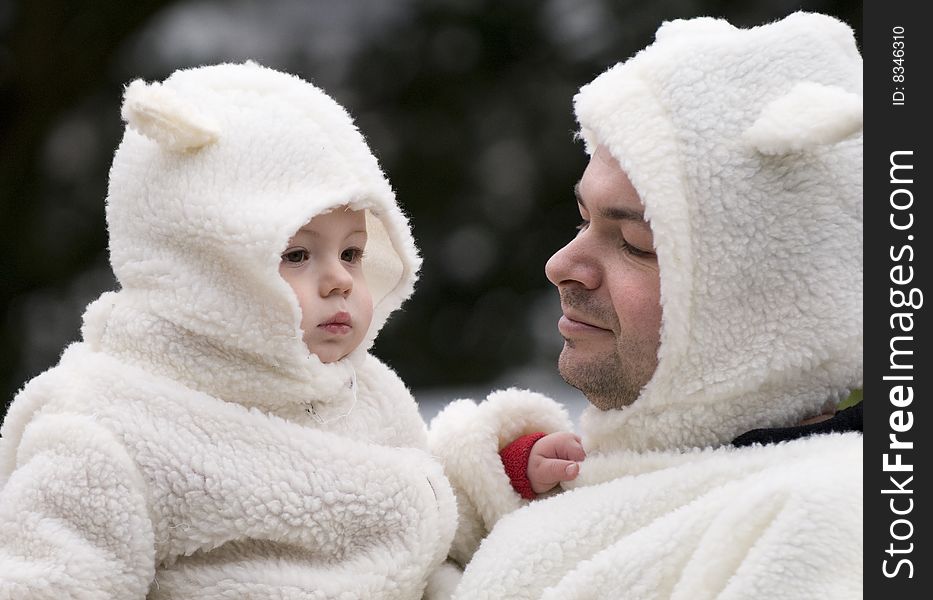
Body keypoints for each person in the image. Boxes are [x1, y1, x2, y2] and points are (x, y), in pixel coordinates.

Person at [429, 12, 863, 598]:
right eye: (583, 218)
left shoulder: (821, 523)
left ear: (769, 298)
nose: (560, 265)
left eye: (636, 243)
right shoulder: (590, 483)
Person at [0, 61, 459, 599]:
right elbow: (53, 583)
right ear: (206, 268)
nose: (339, 280)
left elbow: (430, 519)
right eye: (297, 254)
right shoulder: (109, 428)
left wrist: (507, 467)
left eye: (352, 253)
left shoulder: (367, 391)